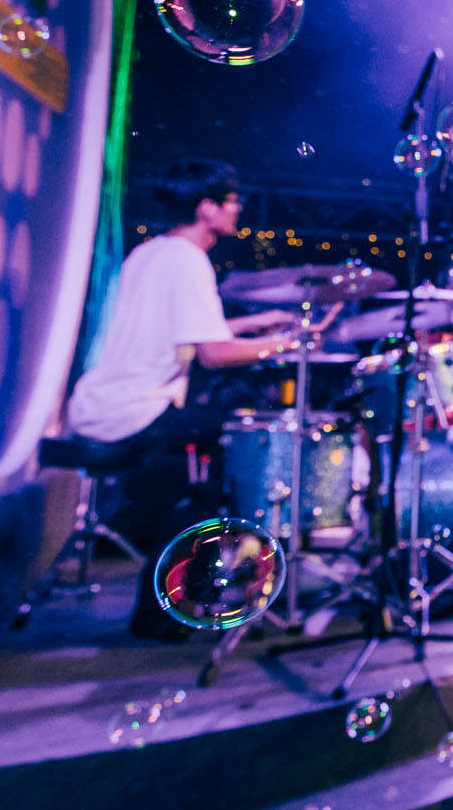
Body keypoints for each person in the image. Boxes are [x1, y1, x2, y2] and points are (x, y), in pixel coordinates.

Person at [62, 159, 301, 638]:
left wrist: (253, 325)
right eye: (231, 200)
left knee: (206, 451)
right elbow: (212, 355)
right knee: (223, 457)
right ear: (206, 207)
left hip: (97, 402)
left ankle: (184, 591)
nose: (239, 207)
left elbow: (182, 336)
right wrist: (294, 343)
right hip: (133, 409)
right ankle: (165, 614)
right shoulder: (189, 260)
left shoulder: (151, 253)